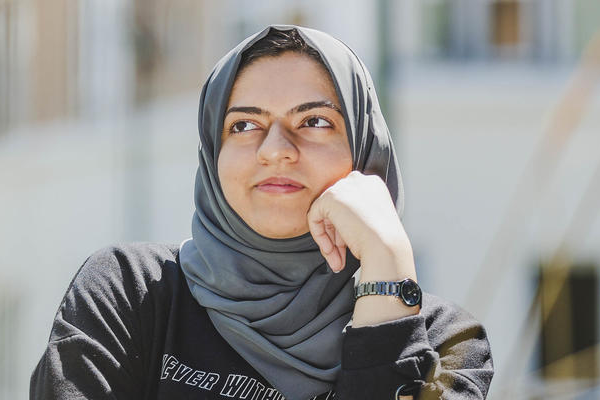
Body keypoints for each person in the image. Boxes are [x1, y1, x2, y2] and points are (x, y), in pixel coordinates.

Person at [29, 25, 493, 400]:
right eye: (244, 125)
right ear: (213, 151)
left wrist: (387, 270)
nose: (275, 150)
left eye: (314, 121)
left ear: (365, 151)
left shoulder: (446, 342)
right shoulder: (130, 295)